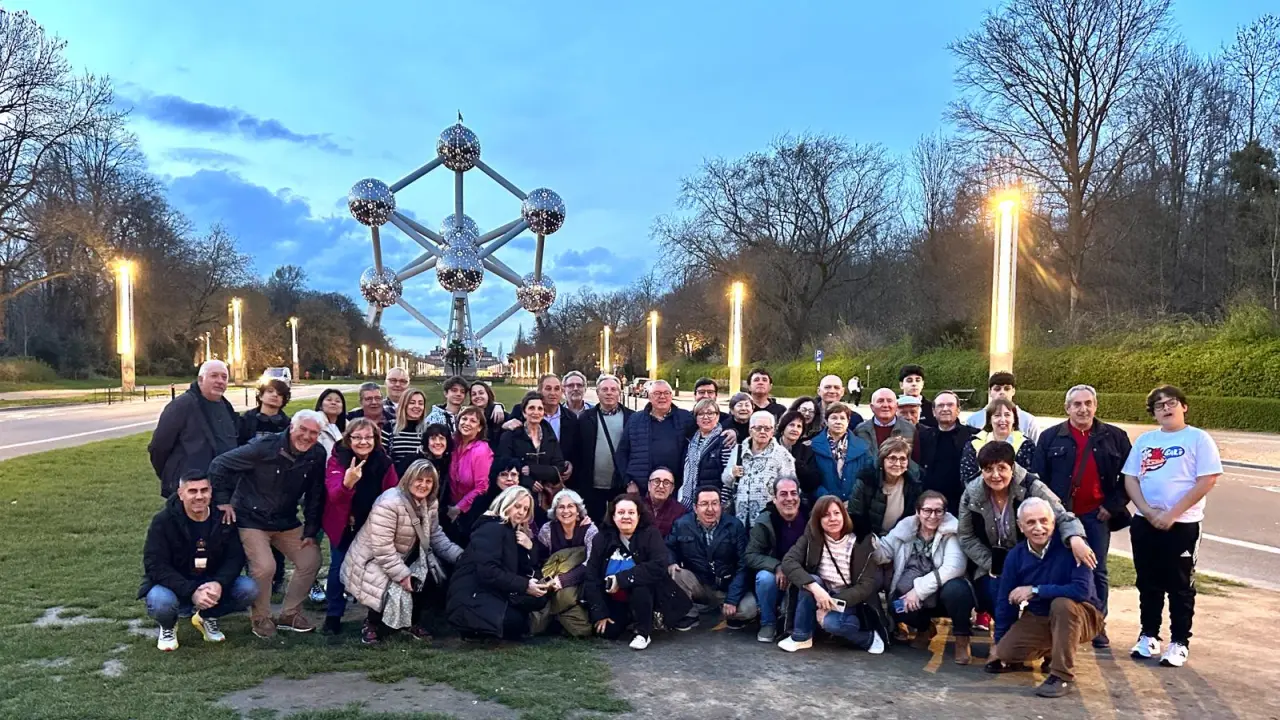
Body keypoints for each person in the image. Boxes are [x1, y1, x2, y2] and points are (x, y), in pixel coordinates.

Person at [1122, 385, 1222, 668]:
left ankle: (1179, 641)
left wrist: (1172, 514)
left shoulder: (1198, 439)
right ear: (1153, 413)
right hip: (1145, 523)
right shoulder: (1146, 440)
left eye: (1171, 403)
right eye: (1159, 405)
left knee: (1180, 585)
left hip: (1183, 525)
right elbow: (1130, 478)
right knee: (1147, 582)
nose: (1166, 408)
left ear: (1184, 406)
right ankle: (1148, 635)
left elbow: (1207, 480)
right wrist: (1147, 511)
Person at [209, 410, 327, 638]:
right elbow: (219, 464)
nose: (307, 436)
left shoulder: (317, 454)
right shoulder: (263, 447)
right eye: (303, 429)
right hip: (251, 519)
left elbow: (316, 493)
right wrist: (222, 501)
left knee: (310, 559)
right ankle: (261, 618)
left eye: (313, 433)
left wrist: (311, 529)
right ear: (291, 427)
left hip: (285, 520)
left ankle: (290, 614)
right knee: (265, 567)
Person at [1032, 384, 1133, 649]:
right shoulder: (1050, 437)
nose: (1083, 409)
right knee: (1055, 568)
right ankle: (1055, 622)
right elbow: (1038, 479)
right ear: (1067, 408)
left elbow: (1130, 477)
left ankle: (1097, 624)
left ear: (1095, 406)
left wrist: (1112, 506)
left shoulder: (1115, 437)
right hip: (1060, 517)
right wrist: (1049, 512)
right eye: (1077, 404)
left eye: (1088, 403)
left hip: (1096, 516)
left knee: (1097, 570)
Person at [957, 442, 1095, 633]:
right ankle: (1007, 637)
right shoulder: (971, 494)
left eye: (1001, 468)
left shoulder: (1032, 486)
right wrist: (991, 563)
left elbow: (1062, 516)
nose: (995, 475)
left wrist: (1075, 538)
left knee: (1044, 597)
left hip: (1030, 558)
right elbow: (966, 536)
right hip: (992, 561)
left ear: (1012, 467)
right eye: (988, 469)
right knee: (993, 592)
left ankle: (1042, 636)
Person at [986, 498, 1104, 698]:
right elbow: (1005, 601)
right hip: (1040, 615)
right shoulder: (1016, 555)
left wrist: (1036, 590)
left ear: (1053, 522)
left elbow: (1082, 591)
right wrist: (999, 642)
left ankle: (1062, 675)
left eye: (1044, 521)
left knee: (1062, 605)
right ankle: (1053, 650)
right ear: (1021, 527)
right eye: (1031, 522)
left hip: (1082, 614)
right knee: (1006, 652)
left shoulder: (1074, 548)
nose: (1038, 528)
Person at [344, 459, 463, 643]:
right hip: (372, 558)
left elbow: (435, 535)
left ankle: (412, 622)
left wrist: (460, 556)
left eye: (429, 481)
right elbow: (383, 549)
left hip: (409, 553)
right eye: (419, 480)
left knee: (429, 577)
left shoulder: (430, 502)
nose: (423, 485)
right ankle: (372, 623)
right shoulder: (389, 503)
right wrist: (402, 575)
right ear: (408, 479)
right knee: (381, 582)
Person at [140, 470, 258, 651]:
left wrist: (219, 583)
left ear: (211, 492)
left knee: (248, 589)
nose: (199, 496)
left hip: (210, 582)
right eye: (192, 491)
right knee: (160, 601)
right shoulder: (163, 521)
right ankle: (168, 626)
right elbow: (154, 565)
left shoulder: (224, 518)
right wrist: (191, 591)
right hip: (175, 584)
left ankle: (207, 616)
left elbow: (235, 558)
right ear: (181, 494)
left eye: (204, 490)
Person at [585, 494, 695, 649]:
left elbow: (659, 565)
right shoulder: (601, 538)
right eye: (621, 512)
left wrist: (621, 579)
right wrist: (600, 613)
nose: (626, 517)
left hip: (648, 593)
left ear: (639, 515)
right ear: (613, 516)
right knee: (608, 632)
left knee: (640, 583)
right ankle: (631, 618)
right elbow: (591, 575)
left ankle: (643, 632)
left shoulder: (651, 534)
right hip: (615, 598)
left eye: (631, 512)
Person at [778, 496, 885, 653]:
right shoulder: (812, 537)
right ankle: (801, 637)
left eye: (836, 513)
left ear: (844, 515)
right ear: (818, 519)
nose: (832, 519)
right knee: (811, 580)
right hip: (822, 591)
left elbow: (866, 585)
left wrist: (831, 603)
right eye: (826, 515)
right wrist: (816, 589)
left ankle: (868, 638)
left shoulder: (862, 541)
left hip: (850, 599)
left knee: (832, 624)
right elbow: (788, 561)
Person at [321, 418, 399, 634]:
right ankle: (333, 614)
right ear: (349, 439)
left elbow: (392, 494)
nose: (363, 442)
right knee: (338, 567)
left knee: (375, 569)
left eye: (368, 437)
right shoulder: (337, 460)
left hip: (372, 524)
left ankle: (373, 616)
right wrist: (348, 482)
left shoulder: (384, 462)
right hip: (343, 523)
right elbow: (334, 495)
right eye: (357, 437)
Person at [875, 490, 972, 664]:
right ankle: (924, 628)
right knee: (896, 607)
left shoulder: (952, 531)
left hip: (943, 593)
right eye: (927, 510)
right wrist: (869, 542)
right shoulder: (904, 528)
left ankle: (962, 639)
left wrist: (918, 591)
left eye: (938, 511)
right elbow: (883, 553)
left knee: (957, 590)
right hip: (913, 593)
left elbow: (954, 567)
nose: (932, 516)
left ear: (945, 512)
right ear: (918, 511)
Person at [446, 485, 547, 640]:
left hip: (493, 591)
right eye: (517, 506)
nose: (521, 512)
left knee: (538, 600)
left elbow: (524, 568)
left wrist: (530, 547)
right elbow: (488, 571)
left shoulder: (513, 531)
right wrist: (525, 585)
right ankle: (473, 628)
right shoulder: (492, 528)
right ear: (506, 503)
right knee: (517, 622)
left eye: (526, 509)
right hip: (473, 596)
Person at [667, 486, 756, 628]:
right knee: (676, 573)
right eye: (704, 504)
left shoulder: (734, 525)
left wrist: (732, 599)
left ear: (721, 506)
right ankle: (690, 613)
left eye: (715, 503)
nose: (710, 509)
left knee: (749, 610)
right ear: (695, 508)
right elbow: (668, 547)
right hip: (700, 584)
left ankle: (726, 611)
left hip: (728, 585)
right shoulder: (682, 524)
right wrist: (672, 562)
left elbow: (744, 564)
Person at [148, 360, 240, 498]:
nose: (220, 381)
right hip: (189, 490)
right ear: (200, 379)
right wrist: (172, 476)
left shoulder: (226, 407)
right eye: (214, 376)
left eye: (224, 377)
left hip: (220, 488)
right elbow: (158, 447)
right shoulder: (181, 405)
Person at [745, 475, 809, 642]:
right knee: (764, 578)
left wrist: (793, 570)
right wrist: (777, 566)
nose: (789, 498)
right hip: (775, 577)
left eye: (793, 493)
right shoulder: (765, 521)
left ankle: (797, 622)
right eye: (783, 494)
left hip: (801, 572)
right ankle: (768, 623)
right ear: (774, 498)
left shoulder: (810, 517)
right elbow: (750, 555)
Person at [530, 488, 598, 637]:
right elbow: (541, 560)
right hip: (550, 578)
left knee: (582, 629)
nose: (566, 511)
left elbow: (591, 564)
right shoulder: (548, 529)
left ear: (578, 510)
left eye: (570, 506)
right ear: (555, 511)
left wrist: (562, 580)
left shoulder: (590, 530)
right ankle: (555, 617)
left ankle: (551, 615)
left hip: (579, 581)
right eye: (561, 507)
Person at [615, 380, 695, 496]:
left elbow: (705, 430)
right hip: (640, 489)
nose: (662, 397)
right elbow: (622, 452)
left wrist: (726, 430)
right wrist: (628, 482)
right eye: (657, 393)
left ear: (671, 396)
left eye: (666, 393)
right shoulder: (635, 420)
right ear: (649, 397)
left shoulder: (685, 418)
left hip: (674, 488)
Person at [723, 411, 796, 528]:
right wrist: (732, 473)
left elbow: (791, 488)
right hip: (739, 518)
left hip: (768, 520)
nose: (762, 432)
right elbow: (726, 481)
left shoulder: (782, 455)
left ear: (773, 431)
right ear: (750, 430)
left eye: (767, 428)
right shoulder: (739, 450)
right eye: (758, 428)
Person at [506, 374, 580, 487]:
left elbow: (574, 448)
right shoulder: (520, 411)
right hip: (527, 479)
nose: (553, 393)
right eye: (548, 388)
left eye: (557, 389)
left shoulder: (571, 418)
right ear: (540, 391)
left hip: (557, 479)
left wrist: (570, 463)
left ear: (562, 391)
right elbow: (508, 443)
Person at [576, 374, 634, 519]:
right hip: (592, 485)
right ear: (597, 392)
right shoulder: (585, 418)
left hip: (621, 484)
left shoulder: (632, 418)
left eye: (613, 389)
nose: (609, 393)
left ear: (619, 393)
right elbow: (578, 452)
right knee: (594, 523)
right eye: (605, 389)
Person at [913, 391, 978, 515]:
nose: (945, 409)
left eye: (950, 405)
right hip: (930, 506)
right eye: (940, 405)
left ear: (958, 410)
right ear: (933, 412)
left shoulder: (973, 436)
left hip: (962, 504)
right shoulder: (923, 437)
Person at [498, 392, 567, 509]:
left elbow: (559, 467)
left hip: (547, 497)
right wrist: (527, 481)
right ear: (524, 412)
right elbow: (504, 465)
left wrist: (532, 469)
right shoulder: (510, 436)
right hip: (518, 497)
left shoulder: (549, 435)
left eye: (540, 409)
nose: (536, 412)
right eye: (531, 408)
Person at [849, 437, 923, 536]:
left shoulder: (913, 485)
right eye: (892, 458)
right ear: (882, 460)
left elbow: (912, 519)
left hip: (900, 538)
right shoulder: (866, 480)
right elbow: (855, 515)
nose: (897, 464)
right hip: (867, 537)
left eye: (902, 459)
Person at [958, 397, 1035, 482]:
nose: (1003, 419)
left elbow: (1029, 479)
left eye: (1007, 415)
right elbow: (967, 478)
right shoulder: (974, 444)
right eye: (997, 415)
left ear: (1014, 419)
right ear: (989, 419)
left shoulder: (1026, 445)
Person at [810, 402, 875, 501]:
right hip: (823, 504)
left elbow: (868, 479)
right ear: (826, 421)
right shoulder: (813, 446)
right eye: (834, 418)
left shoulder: (862, 447)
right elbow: (811, 481)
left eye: (842, 418)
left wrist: (853, 500)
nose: (838, 422)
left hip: (853, 505)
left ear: (848, 421)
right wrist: (829, 501)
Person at [445, 406, 493, 540]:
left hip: (470, 513)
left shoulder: (481, 450)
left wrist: (458, 508)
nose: (467, 423)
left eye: (473, 421)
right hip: (449, 506)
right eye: (464, 419)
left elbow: (482, 487)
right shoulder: (453, 444)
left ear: (480, 428)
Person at [680, 397, 733, 509]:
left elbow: (729, 478)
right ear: (696, 418)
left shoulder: (725, 441)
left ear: (717, 416)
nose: (705, 417)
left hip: (713, 503)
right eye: (701, 414)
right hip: (692, 501)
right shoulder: (690, 441)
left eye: (710, 413)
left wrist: (721, 504)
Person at [966, 371, 1041, 442]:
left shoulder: (1029, 421)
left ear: (1013, 391)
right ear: (990, 392)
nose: (1002, 392)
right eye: (997, 389)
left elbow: (1036, 448)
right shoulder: (973, 420)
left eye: (1007, 389)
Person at [853, 388, 916, 453]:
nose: (885, 405)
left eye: (889, 401)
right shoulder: (860, 431)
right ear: (872, 407)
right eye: (880, 401)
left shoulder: (910, 429)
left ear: (896, 406)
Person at [384, 387, 429, 477]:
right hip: (396, 478)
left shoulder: (428, 430)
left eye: (420, 403)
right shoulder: (389, 427)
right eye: (412, 403)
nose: (417, 406)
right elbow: (383, 457)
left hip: (421, 479)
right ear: (404, 405)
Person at [776, 409, 821, 497]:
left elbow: (813, 482)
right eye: (791, 425)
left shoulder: (807, 451)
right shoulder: (771, 445)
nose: (795, 429)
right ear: (783, 427)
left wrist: (797, 463)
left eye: (799, 426)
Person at [239, 379, 291, 445]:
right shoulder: (245, 420)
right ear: (261, 396)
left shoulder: (288, 425)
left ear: (283, 400)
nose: (275, 395)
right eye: (270, 391)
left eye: (280, 394)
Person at [643, 466, 687, 538]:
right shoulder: (636, 506)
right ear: (649, 485)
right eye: (656, 481)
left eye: (666, 483)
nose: (661, 486)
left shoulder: (680, 511)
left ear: (672, 489)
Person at [469, 380, 507, 450]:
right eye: (474, 394)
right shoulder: (468, 415)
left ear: (488, 394)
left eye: (481, 393)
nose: (477, 396)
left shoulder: (499, 413)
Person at [314, 388, 348, 456]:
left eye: (338, 401)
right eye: (329, 400)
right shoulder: (315, 425)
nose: (333, 403)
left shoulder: (348, 428)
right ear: (320, 405)